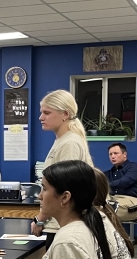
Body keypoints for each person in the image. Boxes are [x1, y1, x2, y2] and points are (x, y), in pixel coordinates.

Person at [32, 90, 94, 241]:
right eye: (42, 112)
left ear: (65, 114)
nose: (41, 117)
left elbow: (63, 187)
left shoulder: (70, 143)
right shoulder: (62, 140)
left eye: (47, 112)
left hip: (63, 225)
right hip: (59, 223)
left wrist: (40, 218)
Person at [105, 142, 137, 222]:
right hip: (113, 200)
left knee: (103, 213)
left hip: (133, 203)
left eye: (116, 153)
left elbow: (124, 182)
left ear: (124, 154)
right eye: (110, 154)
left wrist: (104, 185)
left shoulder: (134, 167)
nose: (113, 156)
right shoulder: (108, 173)